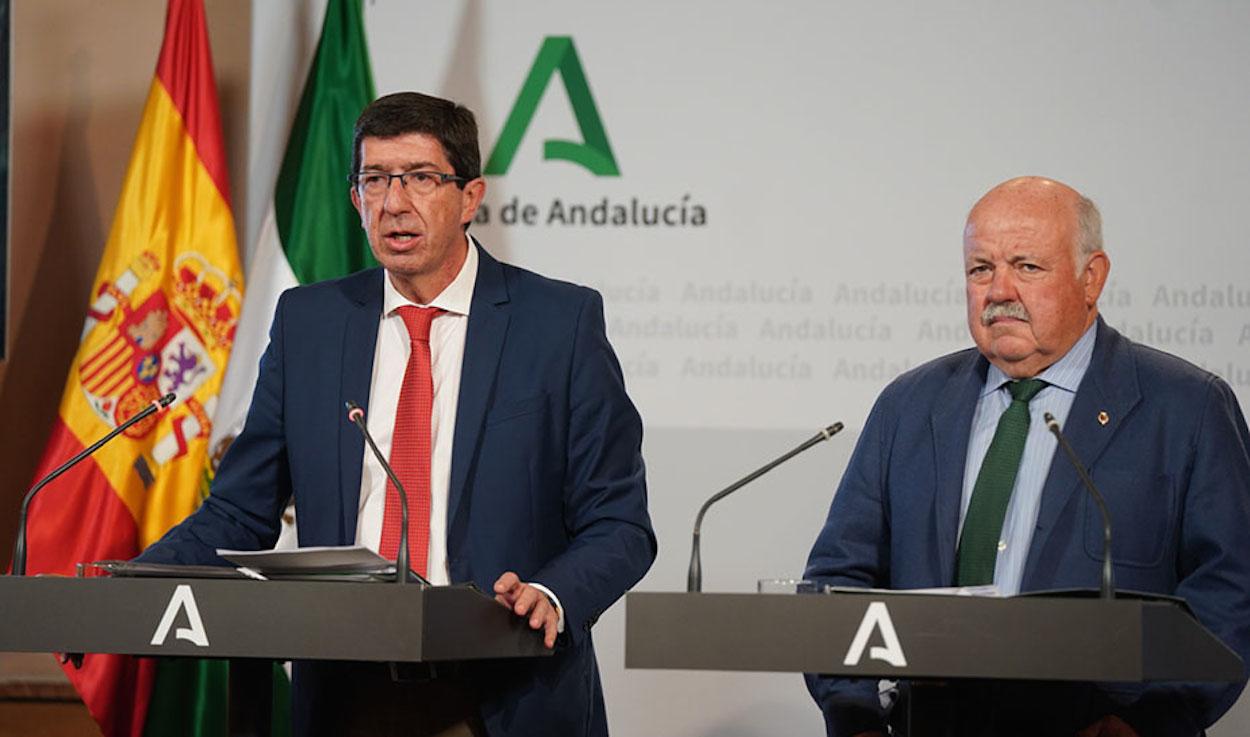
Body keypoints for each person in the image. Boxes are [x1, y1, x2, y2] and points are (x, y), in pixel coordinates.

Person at [137, 92, 656, 737]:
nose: (394, 202)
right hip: (343, 690)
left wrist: (553, 594)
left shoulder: (558, 324)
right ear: (356, 199)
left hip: (501, 693)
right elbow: (240, 511)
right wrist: (124, 590)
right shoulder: (311, 323)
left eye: (420, 178)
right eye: (375, 180)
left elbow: (620, 524)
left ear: (470, 198)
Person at [804, 177, 1250, 737]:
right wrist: (855, 715)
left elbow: (1231, 593)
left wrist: (1151, 722)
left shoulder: (1187, 407)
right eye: (980, 269)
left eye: (1027, 267)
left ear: (1092, 278)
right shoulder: (910, 405)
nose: (998, 291)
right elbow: (838, 579)